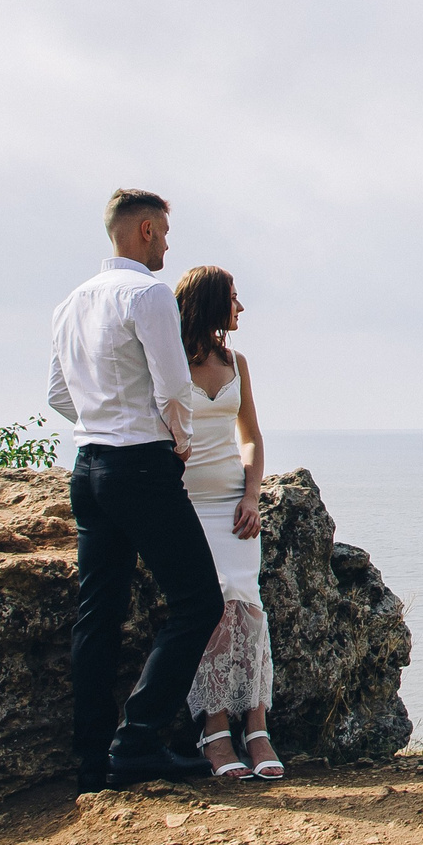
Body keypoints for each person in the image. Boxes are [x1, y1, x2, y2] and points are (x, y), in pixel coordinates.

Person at [48, 188, 224, 792]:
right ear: (145, 230)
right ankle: (138, 741)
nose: (170, 244)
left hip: (86, 467)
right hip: (141, 465)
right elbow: (174, 386)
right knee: (198, 601)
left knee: (97, 615)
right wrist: (176, 440)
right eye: (166, 232)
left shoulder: (70, 302)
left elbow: (57, 394)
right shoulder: (147, 294)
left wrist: (100, 419)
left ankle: (91, 761)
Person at [172, 265, 283, 780]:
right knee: (211, 613)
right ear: (211, 302)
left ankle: (257, 729)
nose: (241, 308)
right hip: (186, 510)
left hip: (234, 508)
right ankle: (215, 731)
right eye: (234, 298)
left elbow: (252, 437)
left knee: (249, 608)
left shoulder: (237, 362)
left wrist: (253, 495)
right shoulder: (168, 363)